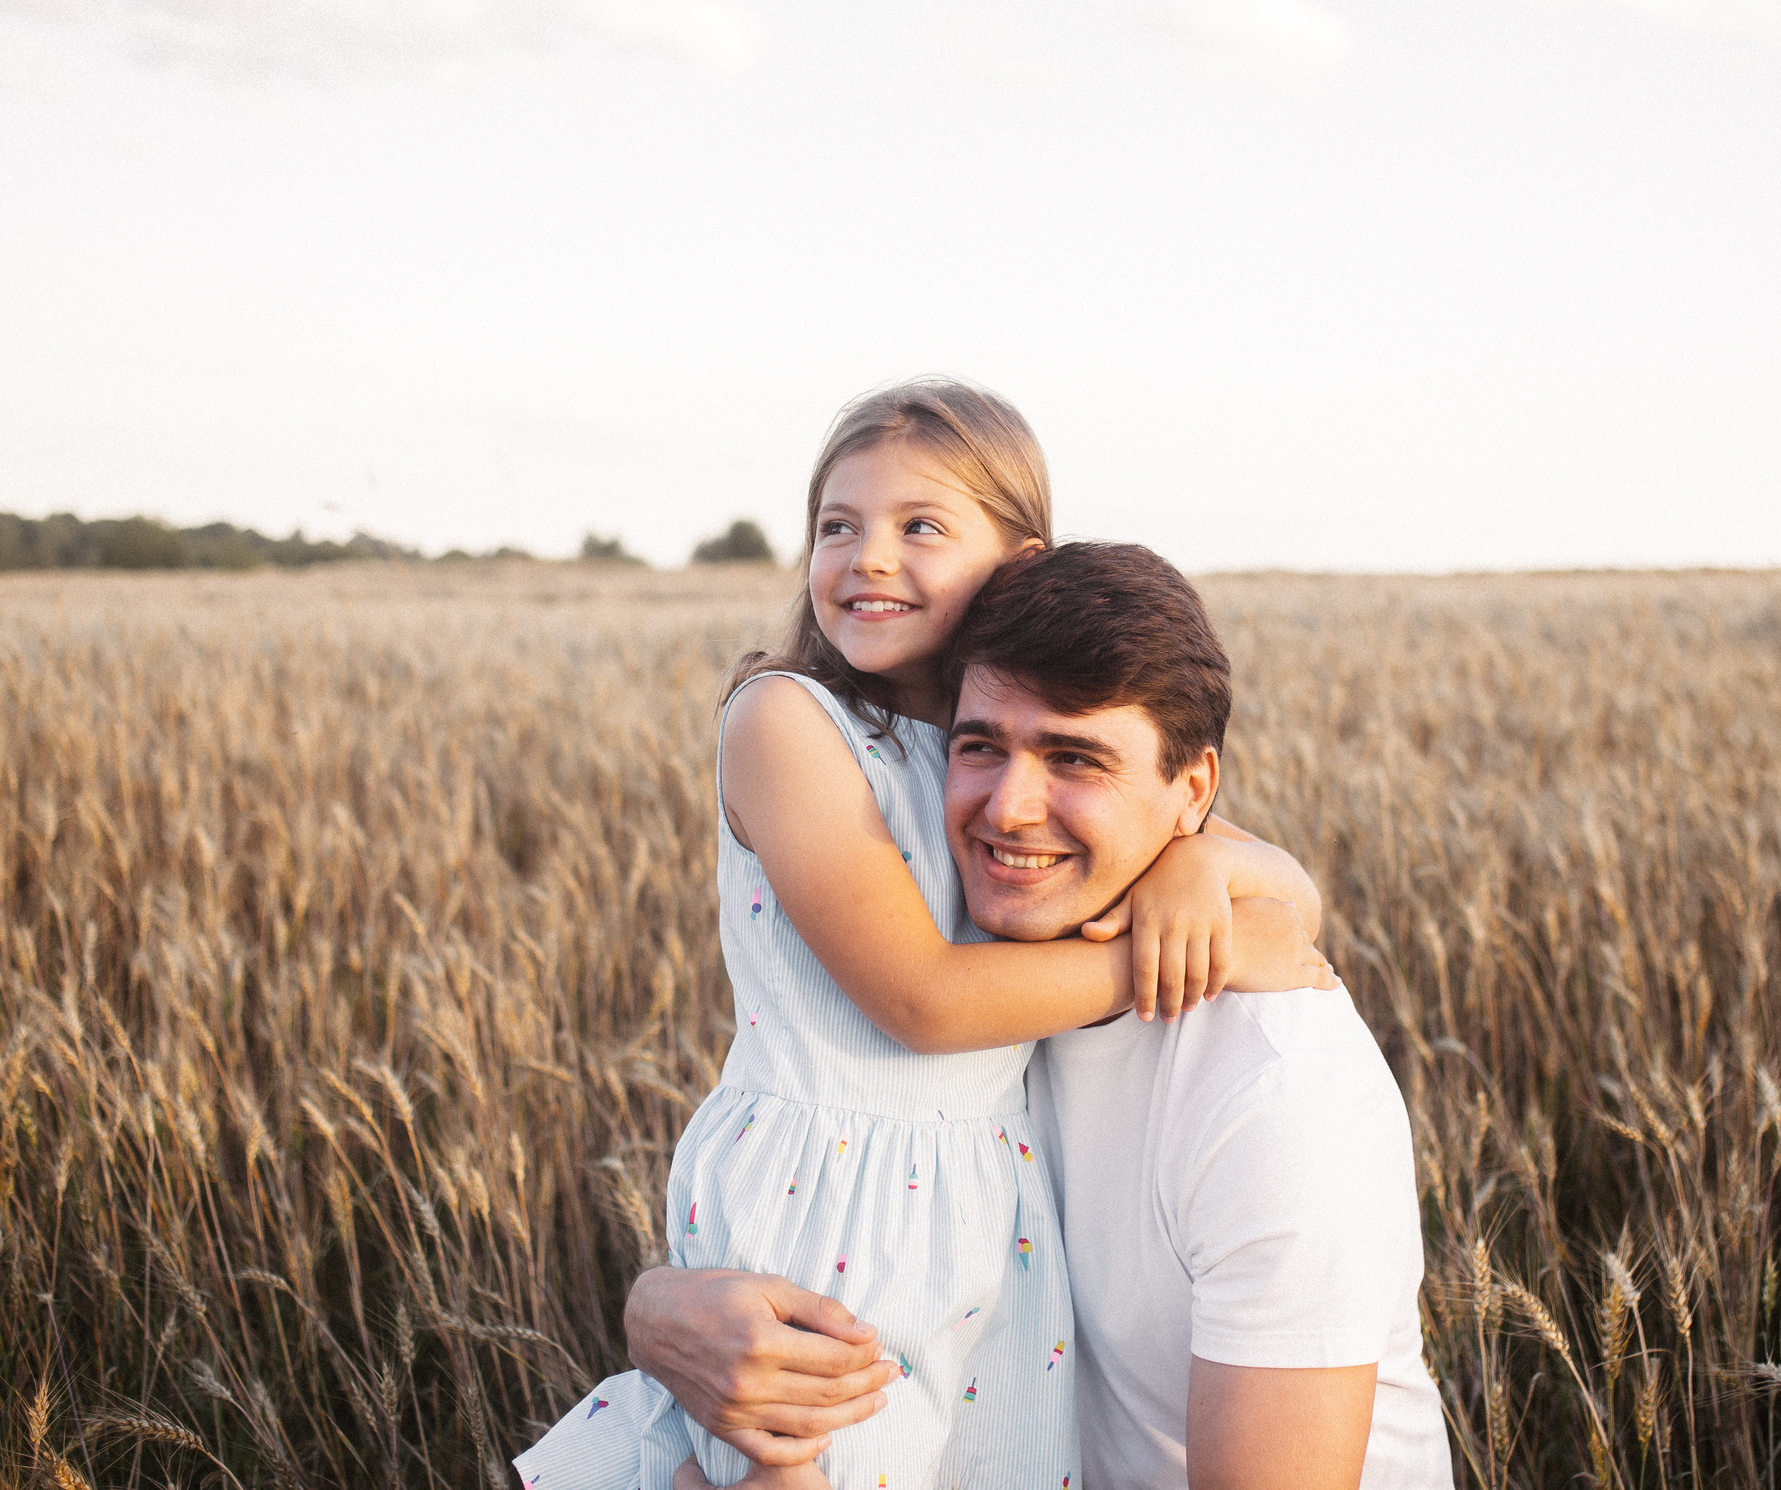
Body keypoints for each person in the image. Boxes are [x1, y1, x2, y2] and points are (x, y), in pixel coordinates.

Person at [514, 385, 1333, 1490]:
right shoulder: (787, 721)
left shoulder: (996, 741)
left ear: (1018, 564)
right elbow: (923, 999)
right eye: (837, 524)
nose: (868, 557)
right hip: (832, 1196)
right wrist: (1166, 957)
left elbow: (1287, 890)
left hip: (981, 1211)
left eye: (920, 526)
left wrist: (1196, 869)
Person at [628, 543, 1456, 1490]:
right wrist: (659, 1312)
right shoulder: (991, 987)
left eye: (1075, 758)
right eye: (979, 745)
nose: (1010, 809)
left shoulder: (1275, 1093)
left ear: (1193, 792)